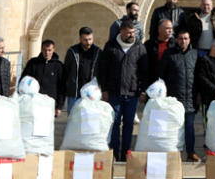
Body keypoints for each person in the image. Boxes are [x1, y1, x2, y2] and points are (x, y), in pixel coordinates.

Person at [99, 20, 149, 161]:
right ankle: (114, 151)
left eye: (133, 32)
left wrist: (143, 91)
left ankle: (125, 152)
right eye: (129, 33)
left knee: (128, 124)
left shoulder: (139, 47)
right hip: (114, 93)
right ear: (121, 32)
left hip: (132, 93)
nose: (132, 35)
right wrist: (105, 90)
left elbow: (145, 71)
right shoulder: (110, 46)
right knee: (114, 123)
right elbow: (103, 70)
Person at [159, 29, 201, 162]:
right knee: (173, 126)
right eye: (181, 38)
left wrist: (199, 92)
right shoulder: (168, 54)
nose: (183, 41)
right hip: (173, 98)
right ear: (176, 40)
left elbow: (200, 75)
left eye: (186, 38)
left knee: (189, 126)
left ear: (189, 40)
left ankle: (191, 152)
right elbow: (161, 74)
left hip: (191, 97)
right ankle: (174, 153)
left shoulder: (195, 54)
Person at [20, 39, 65, 117]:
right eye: (45, 50)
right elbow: (23, 80)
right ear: (41, 49)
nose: (47, 53)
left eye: (49, 50)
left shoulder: (59, 66)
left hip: (50, 103)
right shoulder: (33, 63)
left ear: (53, 50)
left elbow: (62, 87)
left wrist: (59, 106)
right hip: (33, 102)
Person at [63, 26, 102, 115]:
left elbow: (102, 71)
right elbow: (66, 70)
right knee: (73, 121)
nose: (88, 42)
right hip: (75, 94)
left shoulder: (98, 52)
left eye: (90, 39)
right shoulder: (72, 51)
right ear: (80, 39)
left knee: (90, 121)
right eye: (85, 40)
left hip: (91, 94)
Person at [144, 19, 175, 84]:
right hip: (153, 83)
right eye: (167, 28)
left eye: (171, 28)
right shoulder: (149, 45)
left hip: (170, 83)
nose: (170, 31)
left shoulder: (175, 45)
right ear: (160, 29)